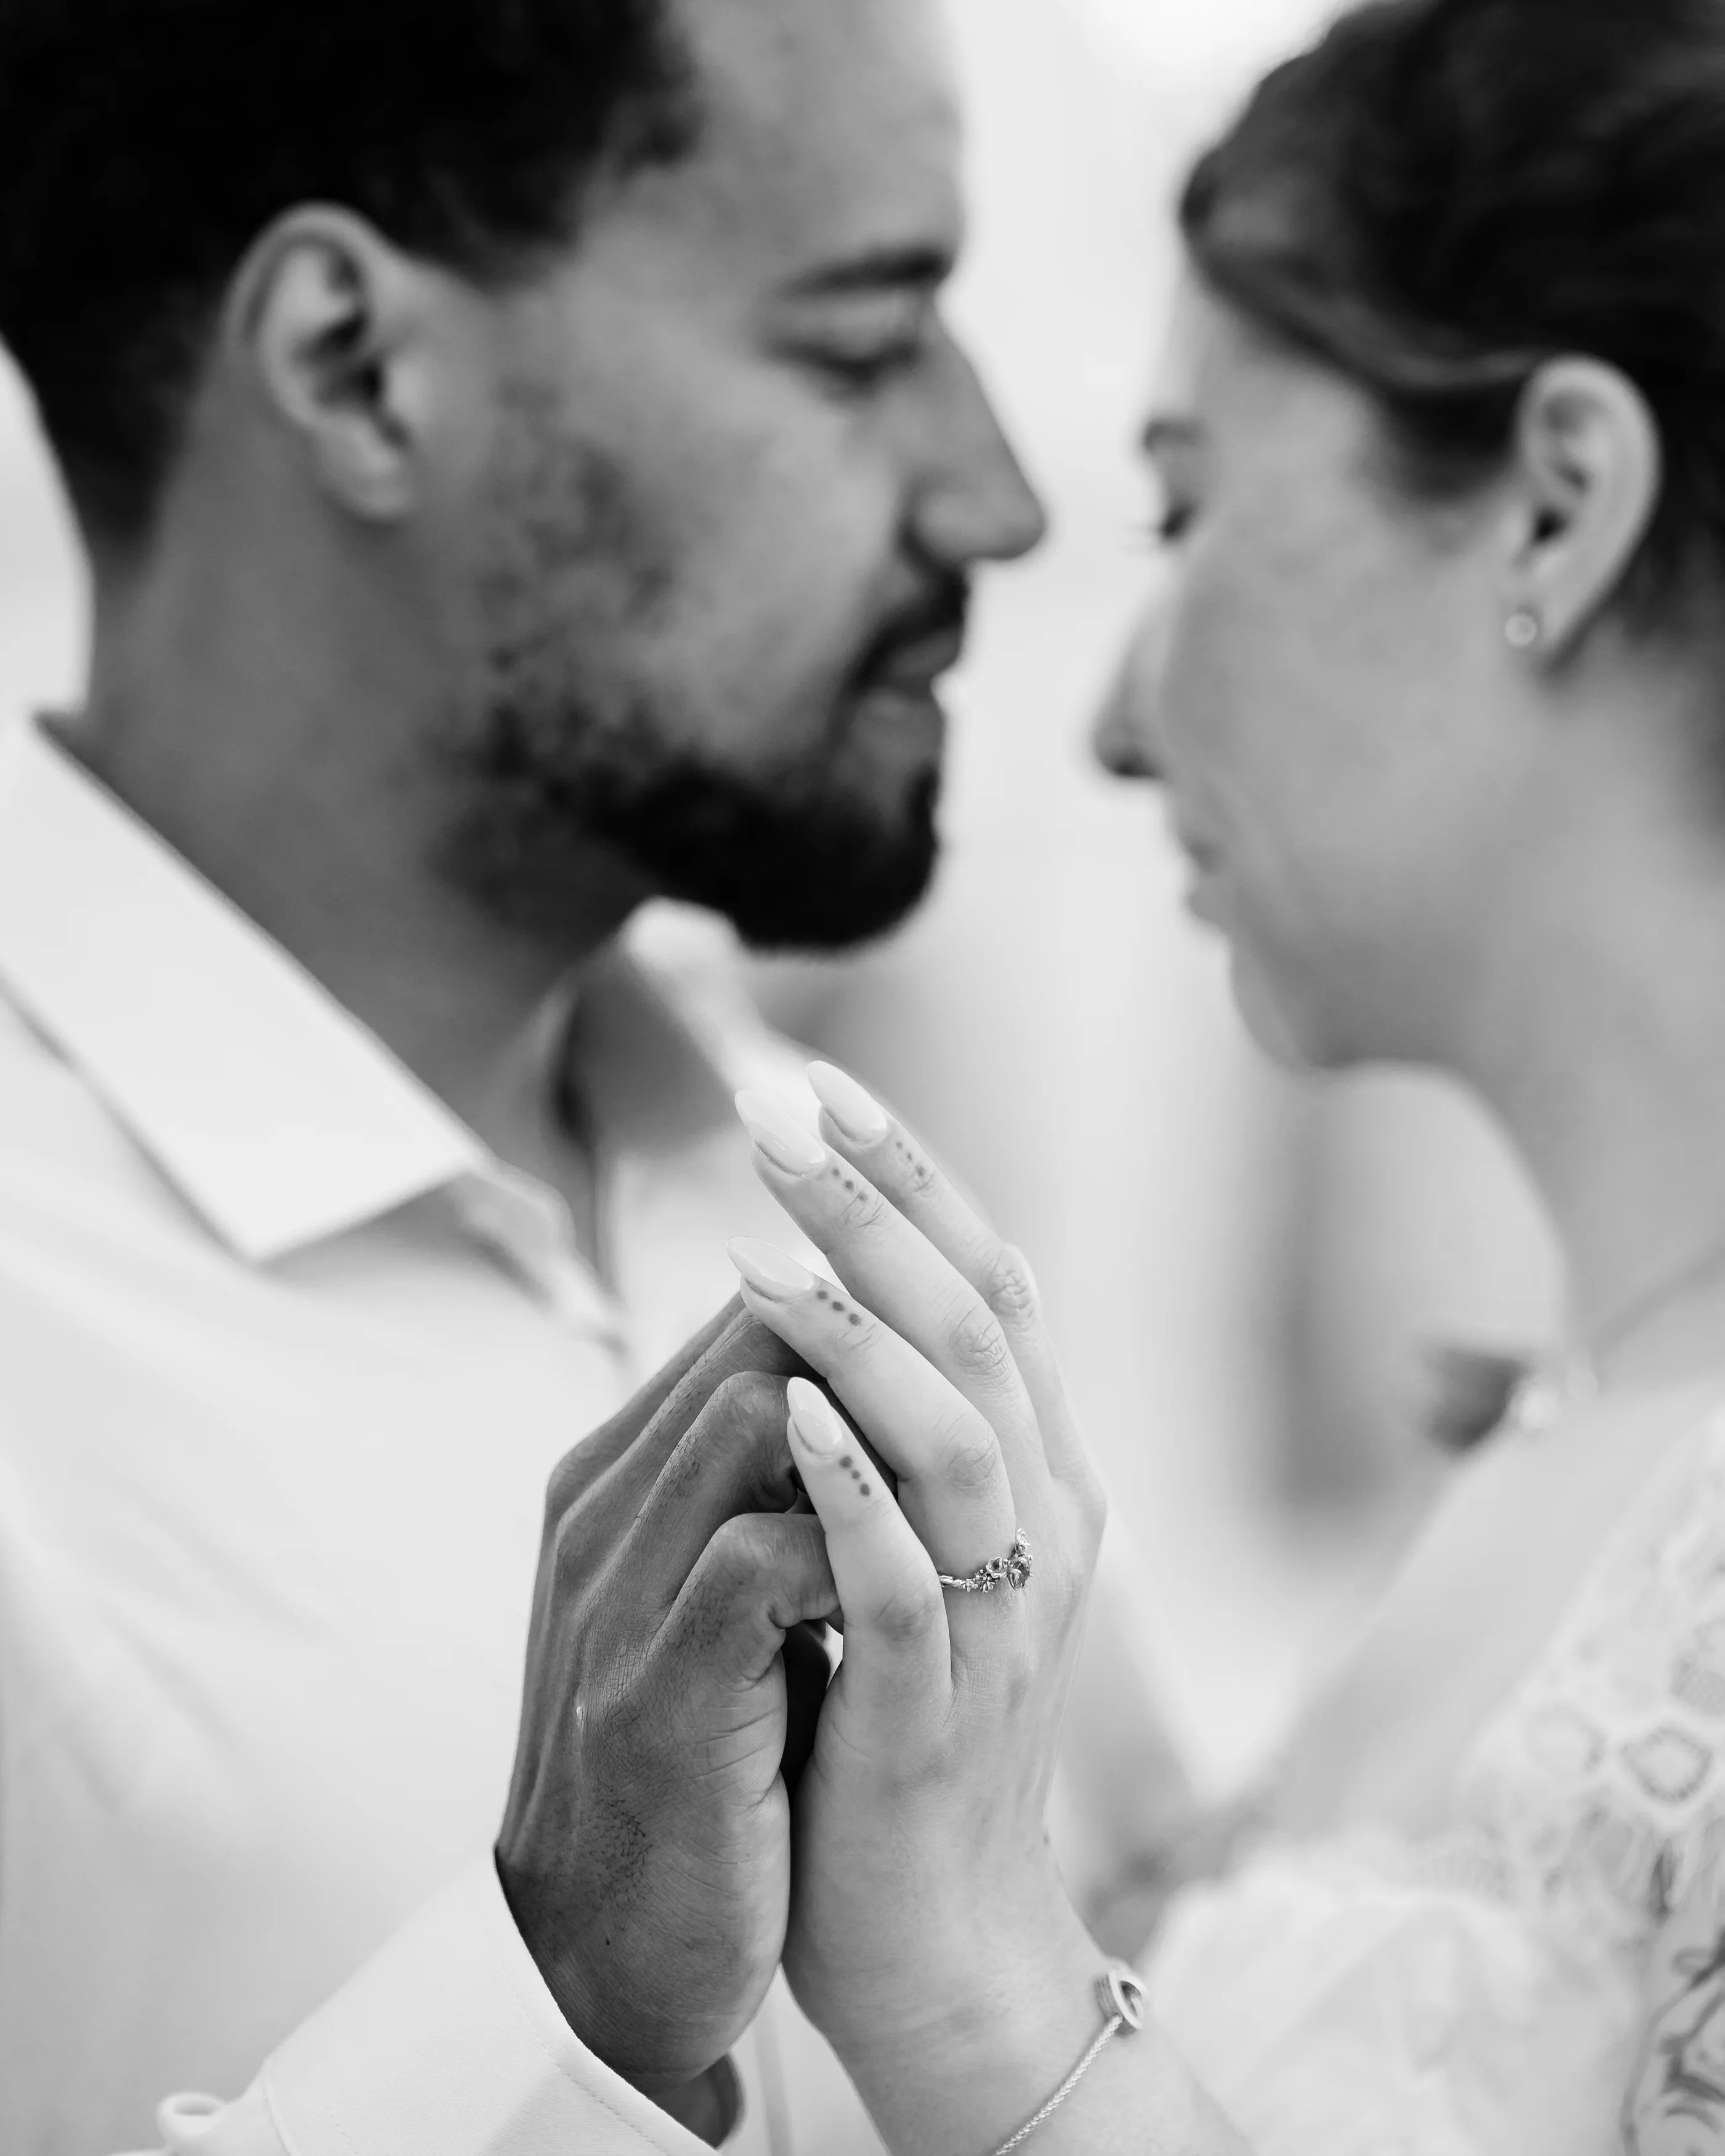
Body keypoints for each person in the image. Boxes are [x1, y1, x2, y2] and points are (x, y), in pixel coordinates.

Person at [0, 0, 1195, 2149]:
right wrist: (555, 2003)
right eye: (855, 342)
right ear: (361, 371)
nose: (1001, 497)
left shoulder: (833, 1180)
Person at [638, 0, 1725, 2149]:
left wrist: (986, 2000)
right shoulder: (1570, 1450)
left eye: (1186, 502)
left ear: (1553, 509)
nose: (1118, 719)